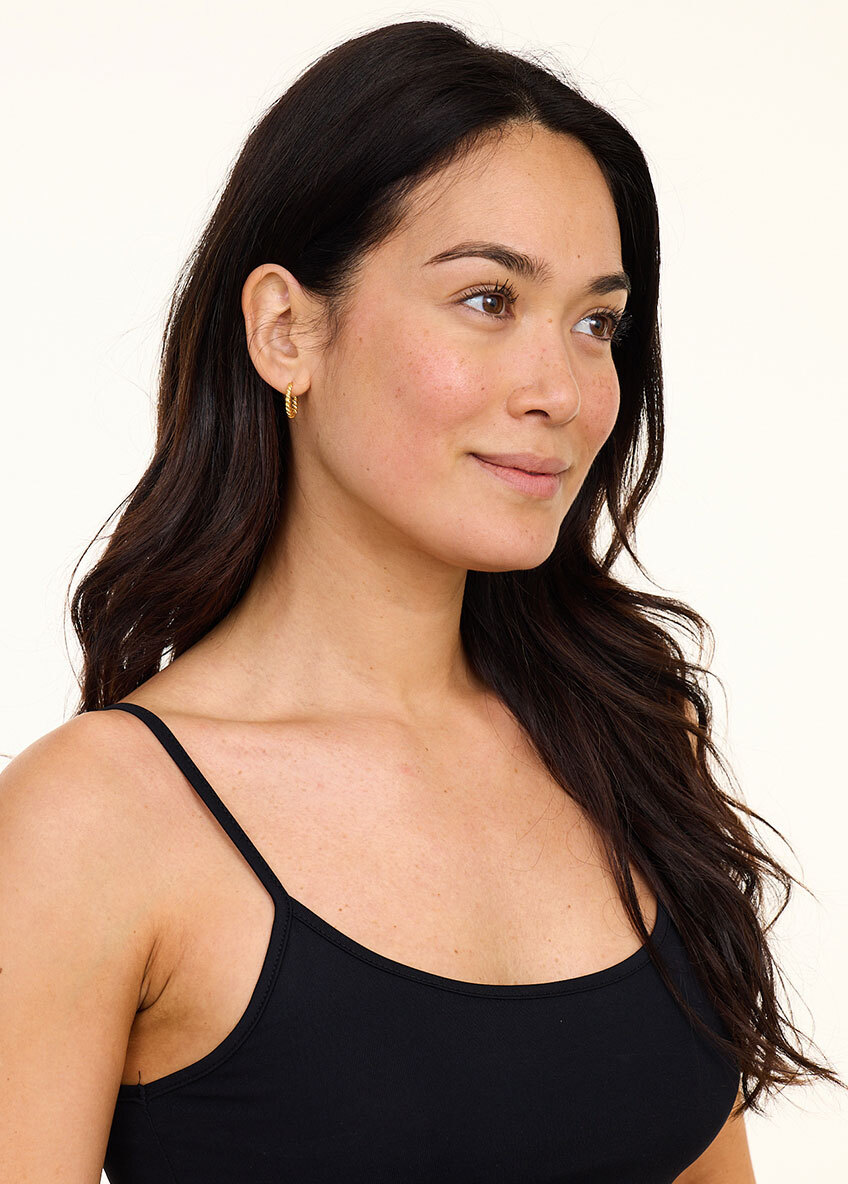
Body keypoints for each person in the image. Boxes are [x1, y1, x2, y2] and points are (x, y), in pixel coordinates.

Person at [1, 18, 841, 1183]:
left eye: (594, 322)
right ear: (287, 331)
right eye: (488, 299)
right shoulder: (93, 822)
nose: (561, 390)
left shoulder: (627, 737)